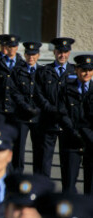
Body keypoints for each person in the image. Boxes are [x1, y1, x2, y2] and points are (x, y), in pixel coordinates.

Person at [34, 37, 76, 177]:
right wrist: (51, 109)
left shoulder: (75, 72)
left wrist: (65, 112)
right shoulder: (44, 71)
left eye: (65, 52)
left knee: (67, 164)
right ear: (54, 52)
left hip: (67, 123)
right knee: (44, 161)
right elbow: (38, 94)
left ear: (69, 52)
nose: (62, 55)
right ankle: (44, 193)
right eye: (59, 51)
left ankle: (67, 195)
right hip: (48, 121)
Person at [57, 53, 93, 194]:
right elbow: (61, 112)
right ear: (76, 70)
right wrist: (73, 131)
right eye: (83, 70)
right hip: (71, 139)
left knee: (91, 185)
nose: (87, 73)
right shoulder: (66, 89)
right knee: (69, 182)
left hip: (91, 140)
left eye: (90, 70)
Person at [9, 41, 42, 171]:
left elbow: (45, 93)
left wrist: (37, 109)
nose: (31, 57)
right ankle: (18, 176)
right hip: (21, 115)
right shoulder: (17, 71)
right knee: (18, 149)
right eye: (28, 54)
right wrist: (25, 107)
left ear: (38, 55)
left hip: (38, 117)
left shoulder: (43, 72)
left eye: (34, 55)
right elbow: (14, 91)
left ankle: (38, 179)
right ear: (24, 55)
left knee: (39, 149)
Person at [0, 34, 24, 123]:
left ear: (17, 47)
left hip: (14, 103)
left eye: (14, 46)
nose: (11, 49)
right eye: (9, 46)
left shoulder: (21, 63)